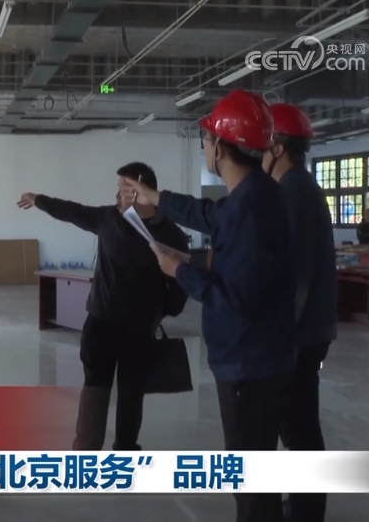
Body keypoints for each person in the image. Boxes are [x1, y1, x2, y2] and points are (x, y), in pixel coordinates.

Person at [123, 90, 296, 522]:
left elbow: (234, 299)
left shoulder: (249, 209)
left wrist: (178, 269)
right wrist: (157, 197)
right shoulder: (258, 195)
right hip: (263, 357)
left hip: (247, 363)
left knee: (248, 478)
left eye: (206, 139)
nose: (205, 147)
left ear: (218, 147)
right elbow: (211, 215)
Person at [16, 162, 189, 451]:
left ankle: (125, 450)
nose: (117, 195)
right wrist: (39, 200)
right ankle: (86, 452)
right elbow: (72, 211)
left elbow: (181, 280)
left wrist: (165, 310)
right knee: (95, 389)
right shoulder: (109, 218)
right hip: (102, 323)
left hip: (139, 330)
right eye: (119, 189)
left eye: (124, 189)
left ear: (142, 192)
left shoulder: (170, 235)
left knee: (132, 394)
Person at [264, 103, 337, 522]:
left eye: (260, 145)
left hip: (298, 335)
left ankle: (306, 511)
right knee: (297, 425)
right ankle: (303, 506)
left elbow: (296, 279)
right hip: (307, 331)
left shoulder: (294, 194)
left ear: (277, 147)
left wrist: (277, 338)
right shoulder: (297, 188)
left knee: (299, 428)